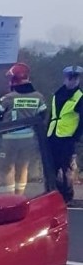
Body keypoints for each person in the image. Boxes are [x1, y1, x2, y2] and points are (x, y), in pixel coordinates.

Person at [0, 62, 49, 195]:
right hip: (29, 140)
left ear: (14, 80)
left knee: (7, 168)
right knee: (23, 168)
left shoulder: (9, 98)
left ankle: (9, 199)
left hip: (9, 140)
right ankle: (20, 196)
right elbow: (43, 116)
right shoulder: (38, 97)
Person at [46, 65, 83, 202]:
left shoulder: (80, 97)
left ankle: (67, 196)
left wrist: (76, 137)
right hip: (53, 135)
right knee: (52, 167)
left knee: (66, 168)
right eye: (70, 78)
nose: (72, 81)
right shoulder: (57, 94)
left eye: (75, 78)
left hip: (67, 138)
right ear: (65, 79)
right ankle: (54, 193)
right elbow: (52, 115)